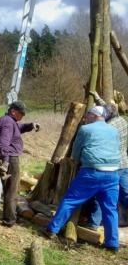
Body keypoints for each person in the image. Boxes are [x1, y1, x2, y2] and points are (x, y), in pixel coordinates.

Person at [44, 106, 120, 252]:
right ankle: (112, 244)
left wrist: (76, 161)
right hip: (112, 174)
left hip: (92, 172)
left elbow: (76, 153)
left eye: (88, 115)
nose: (86, 118)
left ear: (93, 115)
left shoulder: (86, 130)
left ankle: (52, 230)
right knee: (110, 209)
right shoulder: (114, 131)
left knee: (71, 200)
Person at [84, 91, 128, 229]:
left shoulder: (109, 127)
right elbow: (109, 109)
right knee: (126, 193)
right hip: (124, 164)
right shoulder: (121, 119)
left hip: (112, 165)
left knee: (101, 193)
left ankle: (93, 224)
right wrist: (97, 98)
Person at [0, 101, 40, 227]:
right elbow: (3, 143)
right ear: (13, 111)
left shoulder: (9, 121)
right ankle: (9, 220)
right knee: (11, 191)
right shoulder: (8, 122)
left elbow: (18, 128)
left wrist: (30, 126)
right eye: (22, 113)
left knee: (10, 189)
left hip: (7, 158)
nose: (23, 116)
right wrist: (6, 161)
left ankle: (9, 216)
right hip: (9, 159)